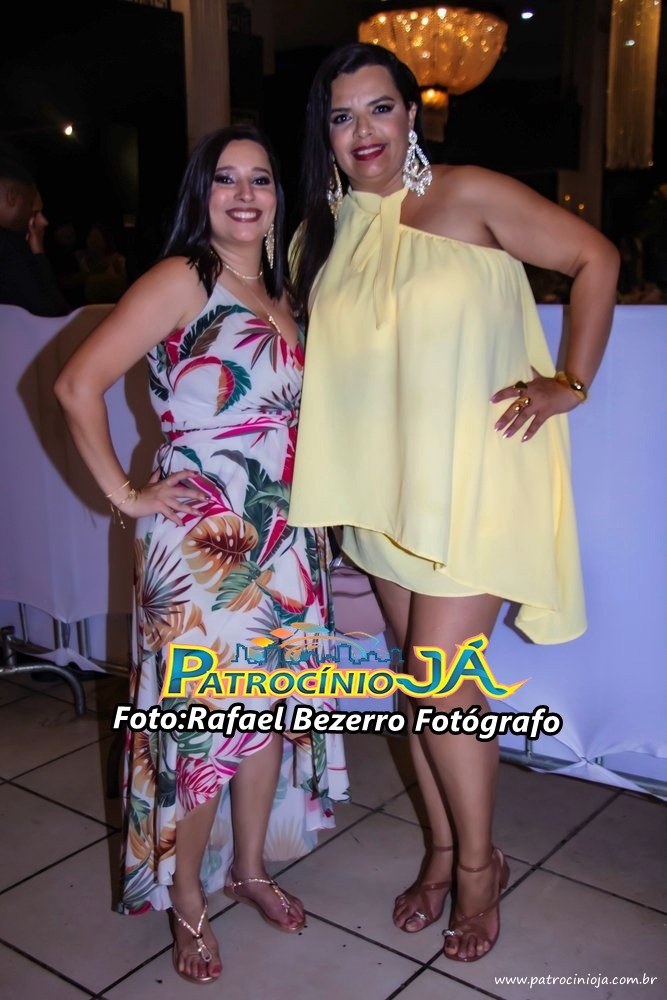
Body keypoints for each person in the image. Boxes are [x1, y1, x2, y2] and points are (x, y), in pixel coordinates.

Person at [288, 43, 619, 963]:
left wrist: (571, 381)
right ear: (325, 132)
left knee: (439, 682)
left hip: (478, 477)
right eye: (342, 116)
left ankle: (479, 866)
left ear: (411, 114)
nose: (363, 130)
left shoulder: (466, 193)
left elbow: (594, 256)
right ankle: (440, 850)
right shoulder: (320, 235)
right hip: (387, 496)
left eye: (379, 108)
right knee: (416, 679)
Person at [54, 124, 347, 984]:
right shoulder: (185, 277)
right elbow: (76, 385)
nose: (245, 194)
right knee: (205, 727)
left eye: (260, 179)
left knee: (264, 718)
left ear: (279, 197)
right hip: (202, 548)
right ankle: (186, 895)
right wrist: (125, 494)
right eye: (226, 179)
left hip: (285, 539)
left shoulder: (285, 291)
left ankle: (249, 869)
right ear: (201, 194)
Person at [0, 156, 69, 316]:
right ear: (12, 197)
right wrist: (38, 254)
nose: (43, 222)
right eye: (35, 211)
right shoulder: (9, 247)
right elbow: (51, 310)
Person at [77, 222, 128, 303]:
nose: (92, 241)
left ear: (106, 240)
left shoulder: (117, 259)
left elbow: (123, 284)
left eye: (96, 237)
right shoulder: (83, 260)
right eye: (90, 237)